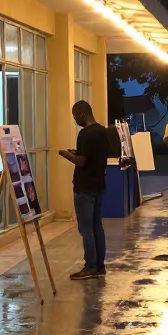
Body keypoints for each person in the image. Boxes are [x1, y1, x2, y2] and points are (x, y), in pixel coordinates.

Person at [60, 100, 110, 280]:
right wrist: (78, 153)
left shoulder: (84, 134)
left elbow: (81, 162)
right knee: (97, 226)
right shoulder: (103, 131)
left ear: (82, 113)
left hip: (84, 188)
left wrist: (67, 155)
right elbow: (92, 156)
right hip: (99, 185)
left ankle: (90, 266)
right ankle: (100, 265)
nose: (75, 120)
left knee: (86, 229)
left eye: (75, 117)